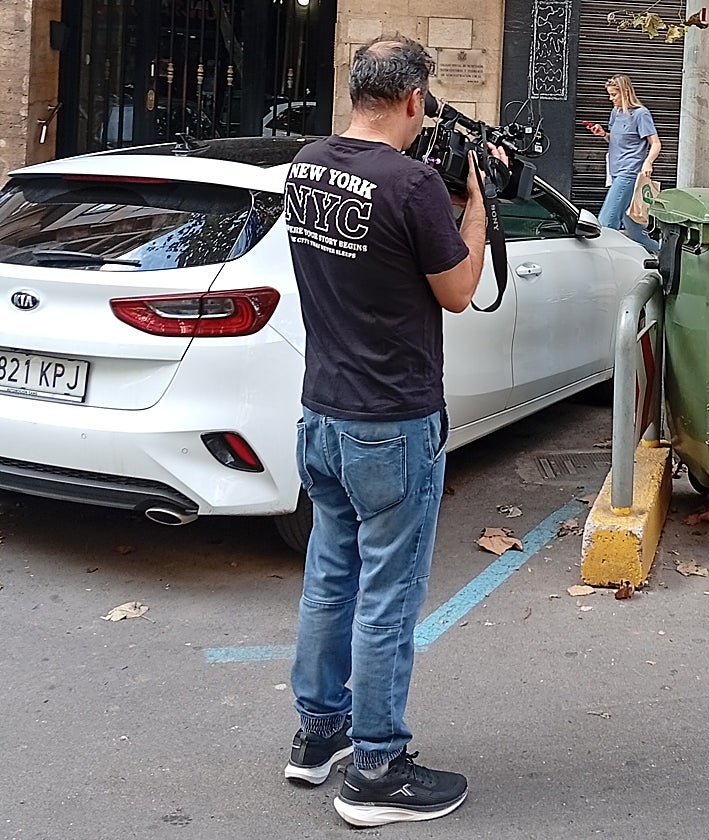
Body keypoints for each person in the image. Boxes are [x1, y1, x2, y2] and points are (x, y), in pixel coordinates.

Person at [281, 36, 500, 827]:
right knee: (387, 595)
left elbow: (371, 250)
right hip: (392, 423)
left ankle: (318, 736)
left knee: (329, 576)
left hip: (323, 415)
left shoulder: (305, 164)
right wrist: (476, 206)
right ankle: (375, 769)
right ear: (413, 99)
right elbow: (459, 290)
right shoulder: (410, 187)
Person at [587, 73, 661, 252]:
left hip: (629, 173)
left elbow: (656, 143)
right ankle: (666, 256)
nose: (610, 98)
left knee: (605, 223)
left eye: (614, 94)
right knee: (635, 231)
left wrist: (648, 162)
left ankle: (604, 261)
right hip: (615, 171)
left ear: (625, 92)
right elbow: (616, 139)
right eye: (610, 94)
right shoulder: (616, 113)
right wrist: (603, 134)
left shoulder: (641, 114)